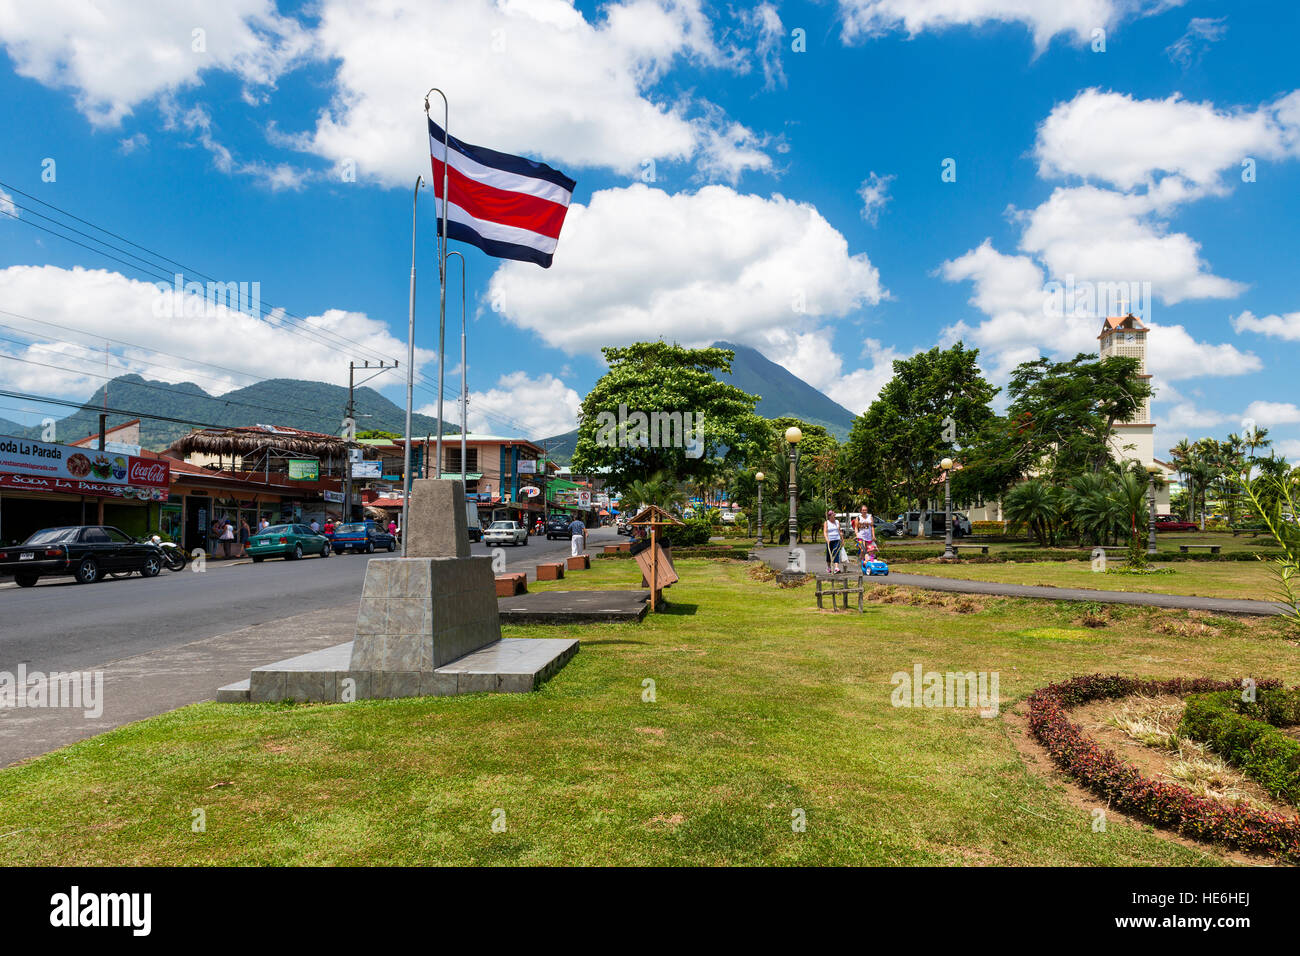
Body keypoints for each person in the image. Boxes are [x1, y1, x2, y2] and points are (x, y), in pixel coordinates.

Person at [853, 505, 876, 571]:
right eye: (863, 510)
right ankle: (861, 563)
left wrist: (873, 536)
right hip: (861, 536)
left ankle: (866, 563)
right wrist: (857, 534)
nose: (864, 511)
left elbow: (872, 527)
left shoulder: (870, 516)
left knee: (870, 550)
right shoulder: (858, 517)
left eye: (865, 510)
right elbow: (856, 527)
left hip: (868, 536)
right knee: (863, 550)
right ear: (861, 511)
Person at [823, 509, 844, 574]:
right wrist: (827, 539)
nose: (834, 516)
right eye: (833, 515)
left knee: (836, 553)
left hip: (837, 539)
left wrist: (842, 539)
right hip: (830, 540)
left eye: (834, 515)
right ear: (829, 516)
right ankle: (829, 567)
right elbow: (825, 532)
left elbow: (840, 531)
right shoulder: (826, 522)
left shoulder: (837, 522)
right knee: (829, 554)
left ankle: (836, 568)